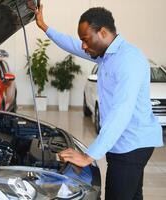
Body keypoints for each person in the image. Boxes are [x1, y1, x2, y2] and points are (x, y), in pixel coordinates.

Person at [35, 4, 164, 200]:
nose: (84, 46)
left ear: (102, 32)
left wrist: (89, 155)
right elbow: (72, 44)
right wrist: (45, 27)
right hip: (128, 141)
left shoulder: (128, 60)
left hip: (131, 145)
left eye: (86, 40)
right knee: (133, 195)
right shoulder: (108, 55)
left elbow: (122, 111)